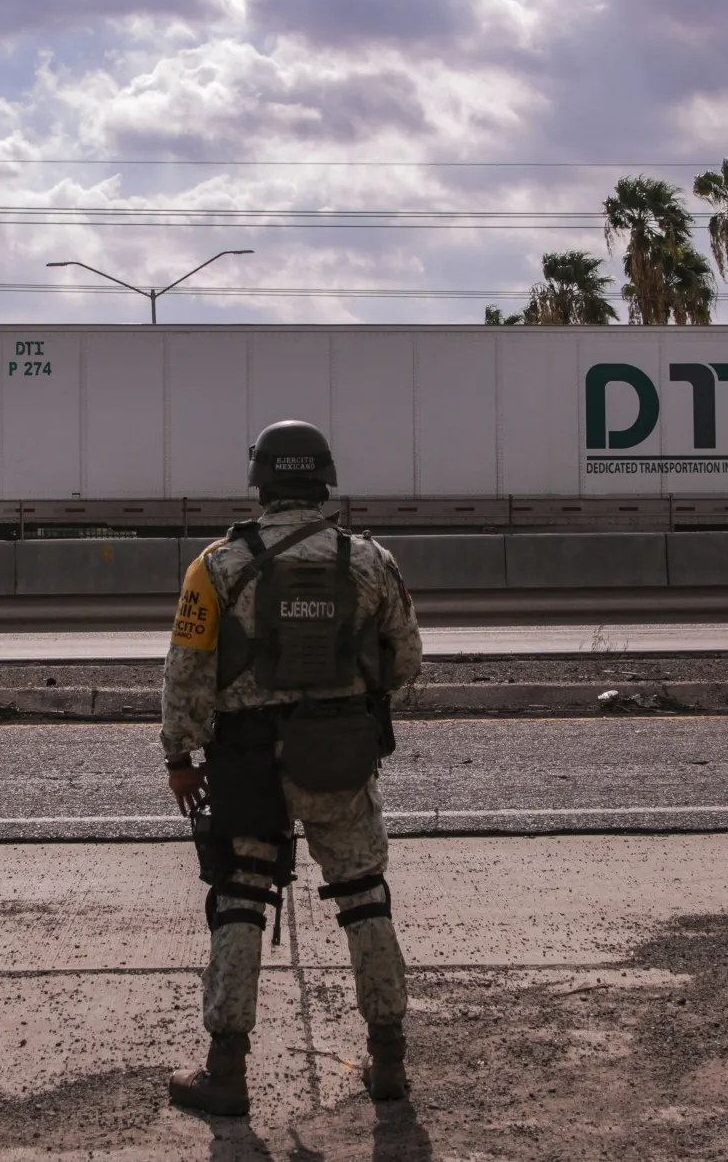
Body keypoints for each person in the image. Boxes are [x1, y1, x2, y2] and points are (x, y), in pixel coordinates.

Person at [163, 419, 424, 1117]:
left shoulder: (215, 564)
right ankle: (389, 1059)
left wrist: (180, 755)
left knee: (240, 899)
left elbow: (186, 670)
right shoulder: (371, 560)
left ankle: (226, 1072)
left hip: (248, 763)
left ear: (262, 479)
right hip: (340, 755)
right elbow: (407, 661)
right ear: (323, 479)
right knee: (365, 894)